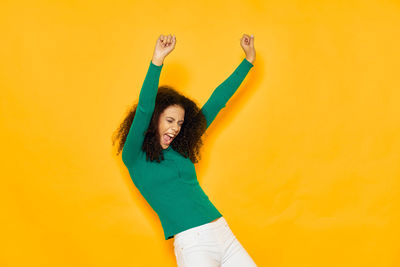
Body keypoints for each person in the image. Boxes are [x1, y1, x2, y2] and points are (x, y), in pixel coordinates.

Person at [112, 33, 257, 266]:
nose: (176, 128)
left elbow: (216, 102)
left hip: (223, 232)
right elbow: (144, 108)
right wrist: (157, 60)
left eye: (180, 123)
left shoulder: (181, 148)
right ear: (155, 119)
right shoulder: (134, 156)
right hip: (193, 242)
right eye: (170, 121)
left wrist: (248, 61)